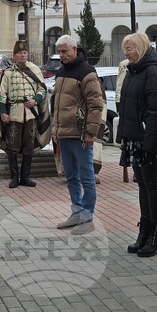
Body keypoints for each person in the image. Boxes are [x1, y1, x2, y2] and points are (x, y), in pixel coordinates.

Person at [117, 33, 157, 257]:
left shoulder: (154, 71)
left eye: (129, 48)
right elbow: (127, 107)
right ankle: (145, 231)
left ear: (140, 48)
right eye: (125, 48)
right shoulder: (134, 69)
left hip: (149, 140)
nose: (126, 52)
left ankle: (156, 235)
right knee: (142, 185)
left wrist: (149, 142)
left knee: (152, 184)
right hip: (135, 138)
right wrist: (124, 136)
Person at [50, 35, 104, 231]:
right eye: (59, 51)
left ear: (74, 50)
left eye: (64, 51)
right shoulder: (60, 72)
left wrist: (91, 132)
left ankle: (87, 215)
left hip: (81, 136)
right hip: (63, 134)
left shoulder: (87, 72)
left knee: (86, 176)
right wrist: (54, 130)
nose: (61, 55)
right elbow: (55, 104)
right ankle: (76, 211)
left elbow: (96, 104)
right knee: (70, 176)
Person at [0, 41, 49, 188]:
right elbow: (2, 94)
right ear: (14, 55)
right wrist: (3, 112)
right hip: (14, 114)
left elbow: (42, 89)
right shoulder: (8, 72)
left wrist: (35, 100)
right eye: (19, 53)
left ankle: (25, 177)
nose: (22, 55)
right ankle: (14, 177)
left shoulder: (34, 70)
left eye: (24, 53)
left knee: (28, 146)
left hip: (30, 115)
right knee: (12, 147)